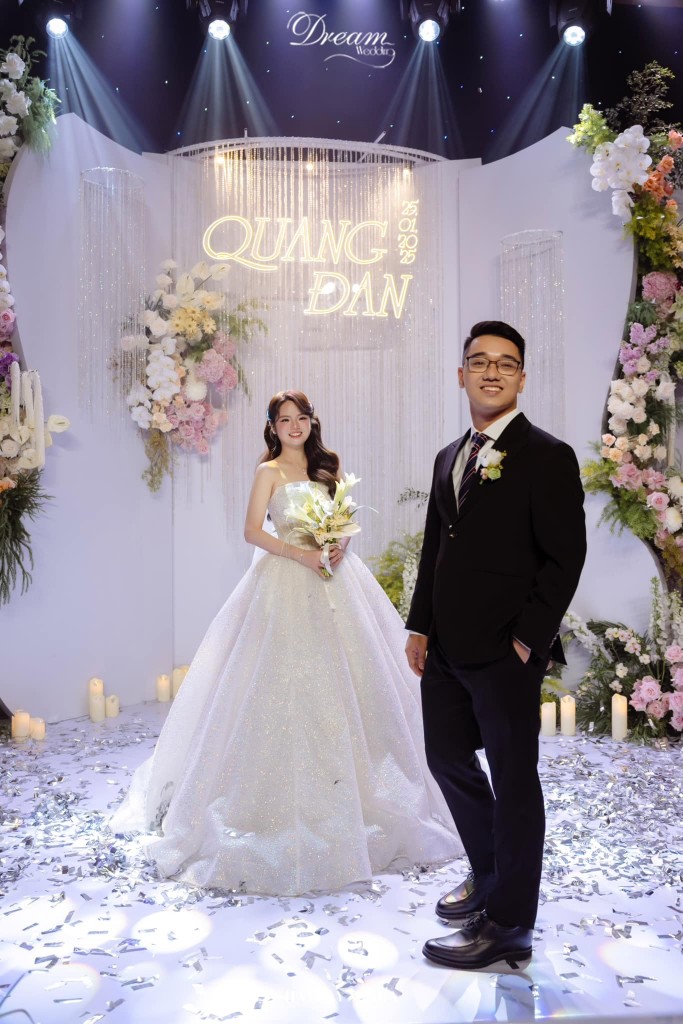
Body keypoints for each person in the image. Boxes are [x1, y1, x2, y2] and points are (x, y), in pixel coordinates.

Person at [111, 389, 462, 895]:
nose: (294, 426)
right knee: (278, 683)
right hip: (286, 579)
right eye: (284, 419)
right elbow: (252, 531)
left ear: (312, 422)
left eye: (301, 418)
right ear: (272, 427)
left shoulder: (327, 468)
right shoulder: (269, 472)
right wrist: (301, 556)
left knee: (351, 681)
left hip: (337, 580)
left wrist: (340, 545)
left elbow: (344, 521)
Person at [405, 322, 586, 970]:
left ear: (521, 378)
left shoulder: (547, 455)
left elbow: (565, 558)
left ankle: (510, 924)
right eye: (478, 361)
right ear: (461, 375)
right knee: (445, 757)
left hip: (505, 653)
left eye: (505, 363)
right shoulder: (447, 457)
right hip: (446, 650)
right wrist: (419, 626)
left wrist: (526, 642)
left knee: (513, 783)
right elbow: (436, 547)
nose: (490, 372)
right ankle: (489, 875)